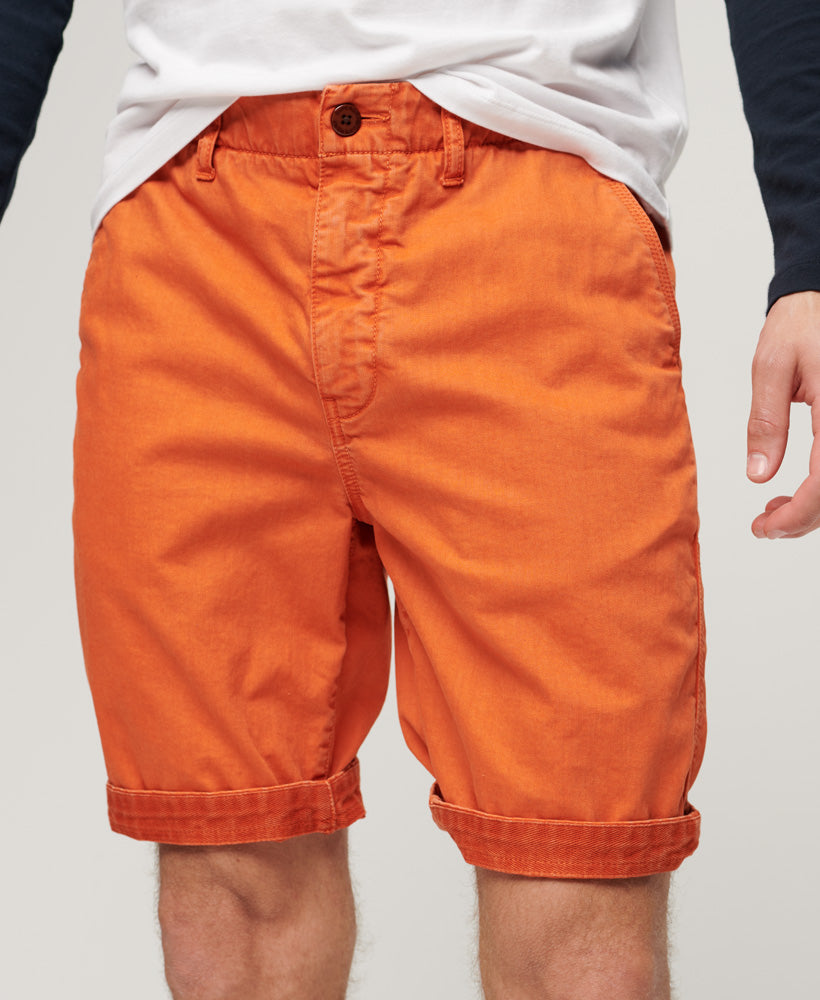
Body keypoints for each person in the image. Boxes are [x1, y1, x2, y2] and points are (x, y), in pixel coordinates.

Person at [1, 2, 818, 998]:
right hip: (193, 209)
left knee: (582, 915)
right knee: (227, 905)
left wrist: (813, 250)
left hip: (534, 190)